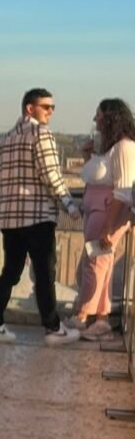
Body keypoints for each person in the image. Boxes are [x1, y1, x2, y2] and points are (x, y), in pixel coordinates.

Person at [0, 88, 82, 346]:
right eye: (46, 107)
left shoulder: (4, 141)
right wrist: (69, 205)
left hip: (10, 219)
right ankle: (53, 328)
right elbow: (51, 175)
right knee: (44, 273)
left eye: (52, 107)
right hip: (38, 216)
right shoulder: (41, 134)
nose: (51, 112)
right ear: (30, 108)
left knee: (10, 272)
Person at [69, 98, 135, 340]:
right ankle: (101, 319)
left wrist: (109, 226)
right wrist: (88, 155)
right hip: (97, 211)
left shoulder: (125, 147)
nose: (95, 119)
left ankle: (83, 315)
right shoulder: (110, 147)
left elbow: (123, 190)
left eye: (98, 115)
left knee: (94, 264)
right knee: (100, 265)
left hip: (108, 212)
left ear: (110, 118)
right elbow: (98, 176)